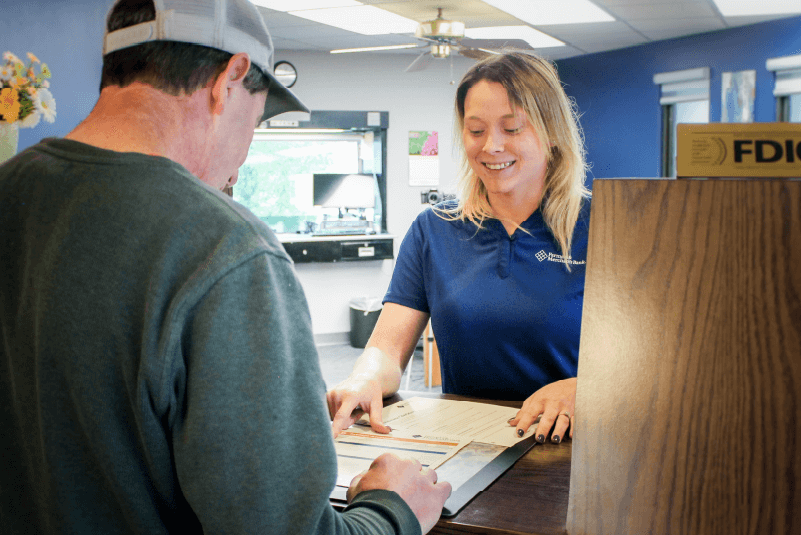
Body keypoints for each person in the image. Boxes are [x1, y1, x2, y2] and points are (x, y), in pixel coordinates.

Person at [0, 1, 450, 534]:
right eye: (256, 120)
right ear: (230, 79)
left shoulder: (12, 192)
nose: (245, 153)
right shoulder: (226, 248)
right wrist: (393, 510)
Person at [328, 52, 591, 446]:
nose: (492, 146)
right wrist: (364, 376)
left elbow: (652, 365)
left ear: (551, 132)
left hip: (568, 447)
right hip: (469, 444)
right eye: (476, 130)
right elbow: (386, 348)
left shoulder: (603, 227)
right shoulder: (434, 229)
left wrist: (583, 387)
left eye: (512, 128)